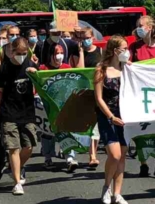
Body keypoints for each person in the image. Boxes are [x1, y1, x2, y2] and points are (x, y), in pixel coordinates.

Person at [0, 37, 38, 196]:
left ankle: (13, 166)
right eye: (19, 53)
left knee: (29, 147)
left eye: (25, 53)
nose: (22, 56)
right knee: (13, 148)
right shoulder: (4, 68)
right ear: (12, 51)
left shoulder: (30, 65)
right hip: (9, 113)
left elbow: (42, 86)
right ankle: (17, 182)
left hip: (27, 112)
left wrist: (37, 75)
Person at [128, 16, 155, 180]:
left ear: (151, 27)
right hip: (140, 96)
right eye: (138, 26)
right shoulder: (134, 47)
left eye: (141, 26)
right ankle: (143, 163)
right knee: (142, 131)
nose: (139, 28)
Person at [95, 35, 129, 204]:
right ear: (115, 51)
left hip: (125, 116)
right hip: (108, 116)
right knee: (114, 155)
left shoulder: (128, 69)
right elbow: (99, 98)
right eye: (124, 49)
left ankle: (117, 193)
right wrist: (111, 116)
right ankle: (107, 187)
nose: (127, 52)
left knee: (122, 155)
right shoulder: (101, 69)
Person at [38, 45, 79, 172]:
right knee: (48, 133)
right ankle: (48, 158)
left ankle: (70, 158)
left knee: (67, 131)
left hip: (64, 105)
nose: (59, 55)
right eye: (57, 52)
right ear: (51, 54)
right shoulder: (43, 68)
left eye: (62, 52)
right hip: (48, 106)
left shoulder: (67, 68)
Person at [81, 27, 102, 168]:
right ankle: (92, 155)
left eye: (88, 37)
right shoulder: (78, 53)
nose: (86, 40)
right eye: (83, 38)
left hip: (99, 91)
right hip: (85, 93)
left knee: (97, 125)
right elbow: (80, 69)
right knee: (90, 125)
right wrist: (81, 52)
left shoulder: (100, 52)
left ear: (93, 37)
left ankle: (94, 153)